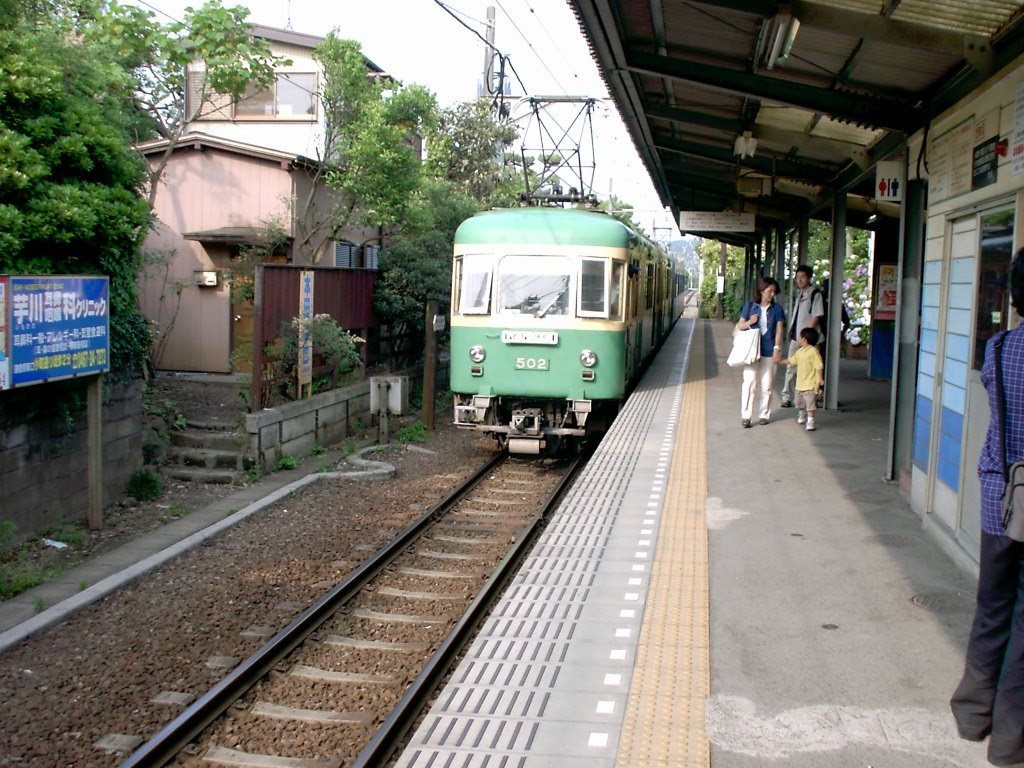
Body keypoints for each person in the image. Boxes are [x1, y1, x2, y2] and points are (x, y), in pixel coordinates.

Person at [951, 248, 1024, 766]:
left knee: (993, 605)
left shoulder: (998, 350)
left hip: (998, 496)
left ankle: (972, 712)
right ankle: (1010, 739)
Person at [736, 276, 785, 428]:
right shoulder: (750, 307)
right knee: (749, 383)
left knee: (767, 385)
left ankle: (764, 414)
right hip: (752, 351)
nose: (772, 294)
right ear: (762, 290)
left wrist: (777, 349)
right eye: (770, 291)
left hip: (769, 350)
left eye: (774, 292)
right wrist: (751, 321)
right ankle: (746, 416)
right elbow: (740, 326)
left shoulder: (777, 309)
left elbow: (779, 330)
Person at [781, 265, 824, 408]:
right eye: (797, 277)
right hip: (796, 337)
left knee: (811, 369)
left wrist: (807, 336)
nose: (799, 280)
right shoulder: (799, 294)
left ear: (809, 278)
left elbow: (816, 315)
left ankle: (812, 397)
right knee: (791, 365)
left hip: (809, 339)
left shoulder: (815, 294)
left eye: (803, 277)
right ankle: (787, 396)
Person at [778, 327, 824, 431]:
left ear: (804, 339)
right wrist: (781, 361)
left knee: (810, 404)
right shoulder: (800, 352)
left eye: (800, 337)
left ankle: (811, 422)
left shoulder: (813, 352)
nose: (798, 339)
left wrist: (820, 379)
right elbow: (793, 360)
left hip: (811, 384)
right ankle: (802, 414)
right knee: (799, 402)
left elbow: (819, 366)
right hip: (800, 384)